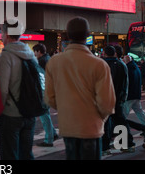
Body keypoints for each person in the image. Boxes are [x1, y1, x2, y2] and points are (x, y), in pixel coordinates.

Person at [45, 17, 116, 160]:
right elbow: (107, 104)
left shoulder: (54, 62)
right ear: (88, 35)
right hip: (91, 127)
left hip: (68, 126)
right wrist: (99, 118)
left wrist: (66, 110)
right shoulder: (99, 64)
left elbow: (49, 98)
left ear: (68, 35)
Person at [0, 19, 38, 160]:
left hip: (11, 113)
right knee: (26, 154)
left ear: (6, 34)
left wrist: (0, 108)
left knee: (10, 155)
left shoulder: (6, 55)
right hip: (30, 113)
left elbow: (2, 89)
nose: (1, 36)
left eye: (2, 32)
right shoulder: (31, 55)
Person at [101, 46, 136, 154]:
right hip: (118, 98)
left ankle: (105, 147)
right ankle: (127, 144)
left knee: (105, 124)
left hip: (106, 99)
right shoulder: (121, 64)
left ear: (105, 54)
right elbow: (125, 82)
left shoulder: (103, 65)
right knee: (121, 121)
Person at [32, 43, 58, 147]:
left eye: (35, 51)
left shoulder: (41, 62)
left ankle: (49, 140)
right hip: (49, 90)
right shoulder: (48, 59)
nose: (34, 54)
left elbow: (41, 78)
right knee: (45, 114)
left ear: (39, 51)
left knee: (44, 115)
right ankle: (53, 134)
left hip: (44, 91)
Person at [123, 55, 145, 142]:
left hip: (130, 95)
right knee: (139, 112)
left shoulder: (128, 69)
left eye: (124, 60)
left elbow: (127, 83)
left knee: (123, 116)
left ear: (126, 61)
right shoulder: (136, 68)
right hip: (136, 94)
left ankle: (123, 136)